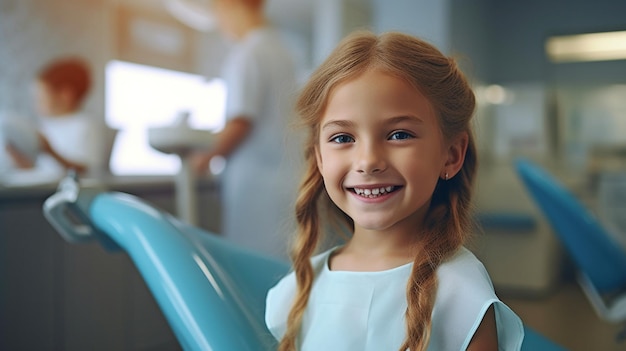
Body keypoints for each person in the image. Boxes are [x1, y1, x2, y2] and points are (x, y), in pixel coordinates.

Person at [264, 31, 525, 351]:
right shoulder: (298, 290)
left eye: (399, 134)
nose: (368, 161)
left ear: (452, 154)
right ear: (319, 157)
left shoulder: (461, 290)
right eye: (343, 138)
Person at [192, 0, 299, 258]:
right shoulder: (283, 50)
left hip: (256, 185)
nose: (220, 23)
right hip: (286, 177)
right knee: (281, 266)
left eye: (219, 12)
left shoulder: (248, 52)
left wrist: (207, 157)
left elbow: (241, 121)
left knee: (253, 264)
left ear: (232, 6)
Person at [5, 57, 101, 178]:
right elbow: (44, 171)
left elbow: (84, 170)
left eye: (41, 98)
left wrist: (50, 151)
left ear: (65, 96)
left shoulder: (84, 125)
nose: (36, 105)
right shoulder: (46, 125)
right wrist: (22, 163)